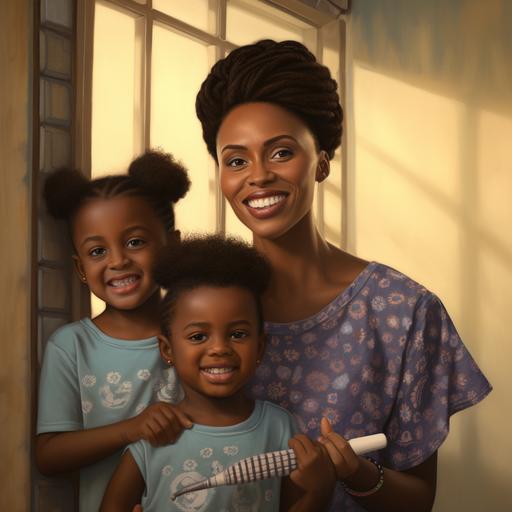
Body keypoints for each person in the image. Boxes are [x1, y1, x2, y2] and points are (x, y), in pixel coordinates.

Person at [195, 39, 492, 512]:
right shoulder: (194, 305)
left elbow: (418, 500)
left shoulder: (404, 312)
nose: (257, 176)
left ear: (322, 160)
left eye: (280, 153)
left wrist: (355, 473)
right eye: (236, 160)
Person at [101, 235, 336, 511]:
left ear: (260, 347)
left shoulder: (279, 427)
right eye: (199, 336)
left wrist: (320, 491)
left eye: (237, 334)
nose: (220, 349)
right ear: (167, 350)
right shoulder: (155, 435)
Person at [36, 150, 193, 512]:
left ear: (173, 244)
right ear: (79, 268)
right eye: (97, 251)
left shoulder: (196, 335)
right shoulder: (71, 346)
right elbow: (49, 456)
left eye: (135, 242)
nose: (118, 261)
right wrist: (132, 428)